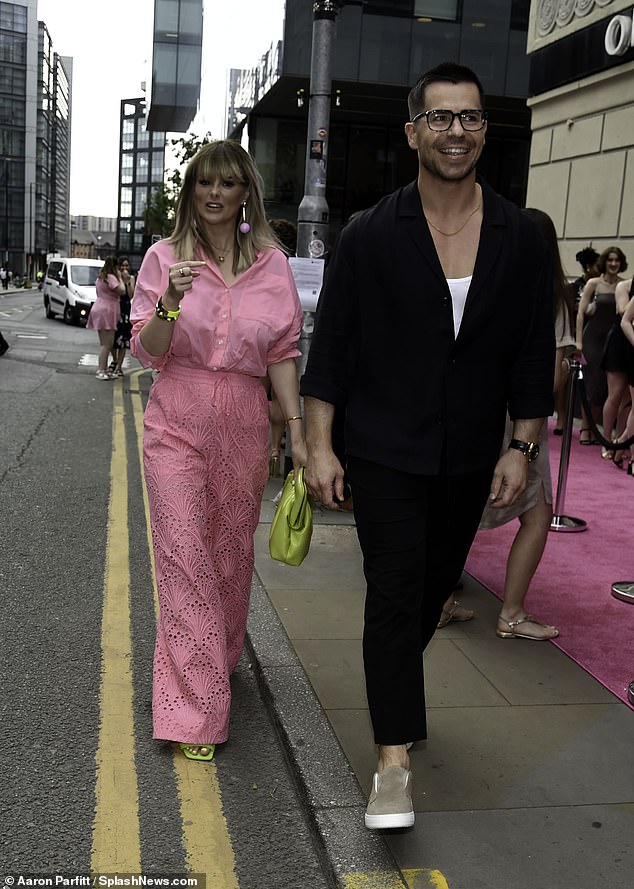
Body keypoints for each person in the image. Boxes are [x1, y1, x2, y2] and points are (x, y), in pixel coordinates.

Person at [300, 62, 554, 830]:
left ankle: (395, 697)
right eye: (440, 118)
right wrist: (318, 444)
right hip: (382, 448)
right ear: (413, 132)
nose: (456, 131)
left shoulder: (525, 232)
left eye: (470, 118)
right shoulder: (371, 233)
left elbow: (530, 351)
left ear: (486, 130)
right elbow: (333, 349)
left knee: (429, 595)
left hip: (472, 455)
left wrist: (522, 444)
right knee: (393, 592)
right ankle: (392, 762)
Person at [130, 140, 306, 762]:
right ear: (191, 191)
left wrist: (299, 432)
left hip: (242, 423)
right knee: (184, 558)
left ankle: (216, 657)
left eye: (227, 183)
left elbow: (282, 353)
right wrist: (170, 303)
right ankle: (194, 709)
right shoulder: (163, 257)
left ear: (244, 194)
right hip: (175, 418)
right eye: (204, 182)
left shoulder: (273, 265)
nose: (214, 193)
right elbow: (146, 351)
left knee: (229, 556)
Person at [475, 208, 574, 640]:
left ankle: (438, 600)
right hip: (521, 426)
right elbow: (550, 380)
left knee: (454, 507)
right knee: (537, 514)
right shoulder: (549, 294)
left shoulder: (488, 281)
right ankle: (511, 613)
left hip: (474, 411)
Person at [575, 246, 626, 444]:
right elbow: (580, 314)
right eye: (610, 260)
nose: (613, 264)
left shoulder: (624, 285)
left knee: (607, 389)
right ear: (604, 262)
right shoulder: (593, 284)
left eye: (617, 261)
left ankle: (596, 429)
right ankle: (586, 429)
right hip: (592, 340)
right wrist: (578, 341)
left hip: (612, 341)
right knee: (593, 386)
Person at [267, 219, 298, 475]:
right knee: (280, 396)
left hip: (263, 337)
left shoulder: (269, 264)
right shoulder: (295, 265)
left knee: (261, 391)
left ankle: (268, 446)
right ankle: (275, 447)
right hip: (287, 340)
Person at [87, 256, 125, 380]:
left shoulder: (101, 277)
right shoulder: (111, 277)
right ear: (115, 267)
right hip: (107, 310)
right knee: (107, 344)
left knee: (105, 343)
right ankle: (101, 370)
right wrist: (120, 278)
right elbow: (122, 290)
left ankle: (104, 369)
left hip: (99, 308)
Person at [110, 256, 135, 377]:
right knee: (112, 340)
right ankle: (114, 360)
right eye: (122, 265)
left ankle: (119, 367)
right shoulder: (115, 278)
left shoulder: (131, 278)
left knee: (123, 341)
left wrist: (128, 282)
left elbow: (131, 295)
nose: (125, 268)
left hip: (125, 310)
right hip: (115, 309)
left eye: (127, 265)